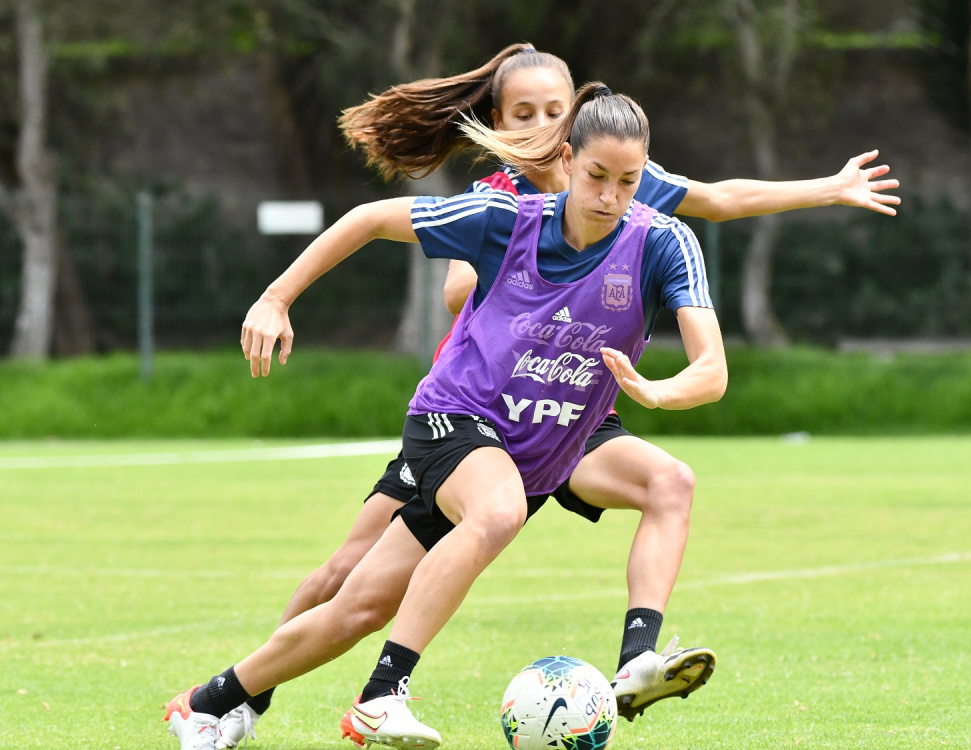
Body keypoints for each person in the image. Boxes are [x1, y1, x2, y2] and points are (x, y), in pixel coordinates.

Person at [209, 43, 901, 749]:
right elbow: (452, 290)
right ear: (506, 125)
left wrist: (826, 187)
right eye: (523, 113)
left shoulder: (627, 188)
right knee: (351, 583)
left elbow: (719, 202)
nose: (540, 124)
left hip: (570, 417)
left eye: (553, 109)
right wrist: (510, 251)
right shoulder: (498, 205)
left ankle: (636, 661)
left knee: (669, 481)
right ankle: (253, 698)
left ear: (573, 121)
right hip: (474, 409)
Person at [164, 82, 728, 750]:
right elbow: (369, 218)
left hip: (537, 455)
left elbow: (711, 370)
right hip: (455, 416)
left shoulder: (663, 243)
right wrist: (275, 297)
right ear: (568, 160)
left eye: (629, 182)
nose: (610, 197)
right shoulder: (506, 217)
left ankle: (207, 702)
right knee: (497, 511)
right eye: (597, 176)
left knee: (359, 608)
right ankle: (382, 695)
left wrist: (659, 393)